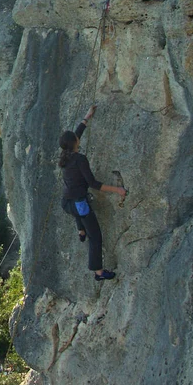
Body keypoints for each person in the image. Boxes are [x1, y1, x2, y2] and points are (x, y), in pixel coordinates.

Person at [59, 105, 126, 281]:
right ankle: (98, 272)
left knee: (78, 212)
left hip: (66, 203)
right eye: (76, 139)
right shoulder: (80, 159)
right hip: (78, 204)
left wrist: (86, 117)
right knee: (95, 236)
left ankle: (81, 231)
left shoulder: (64, 156)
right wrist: (117, 190)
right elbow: (93, 184)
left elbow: (76, 135)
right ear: (75, 144)